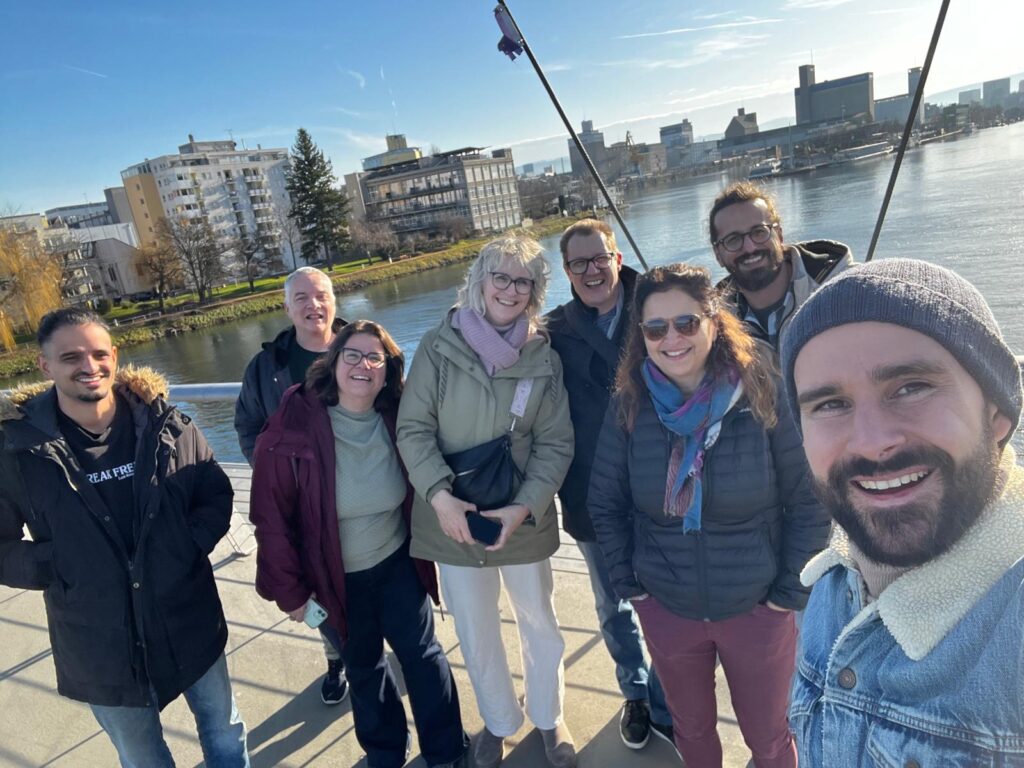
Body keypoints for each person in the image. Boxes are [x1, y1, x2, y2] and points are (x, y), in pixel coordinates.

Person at [780, 259, 1024, 767]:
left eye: (911, 387)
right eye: (830, 404)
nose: (872, 442)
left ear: (998, 411)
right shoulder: (833, 578)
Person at [588, 264, 830, 768]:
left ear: (714, 322)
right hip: (668, 607)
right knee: (692, 731)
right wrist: (632, 587)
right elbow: (605, 503)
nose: (672, 339)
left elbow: (809, 499)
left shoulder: (762, 392)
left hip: (757, 609)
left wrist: (786, 595)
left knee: (769, 737)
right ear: (641, 336)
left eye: (686, 322)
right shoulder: (628, 407)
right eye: (655, 328)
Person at [0, 308, 248, 767]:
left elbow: (213, 493)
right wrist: (58, 564)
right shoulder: (16, 449)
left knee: (225, 734)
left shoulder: (168, 424)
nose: (89, 366)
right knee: (143, 758)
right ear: (45, 365)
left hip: (188, 618)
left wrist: (187, 545)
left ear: (114, 356)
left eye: (98, 354)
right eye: (70, 357)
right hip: (100, 645)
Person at [249, 320, 468, 768]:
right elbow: (270, 518)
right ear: (333, 363)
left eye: (374, 358)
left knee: (423, 657)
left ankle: (447, 751)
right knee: (364, 667)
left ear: (388, 372)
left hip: (397, 563)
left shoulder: (398, 416)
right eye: (352, 355)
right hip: (332, 578)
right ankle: (386, 752)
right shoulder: (294, 422)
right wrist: (291, 593)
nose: (362, 366)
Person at [397, 235, 576, 768]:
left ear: (535, 291)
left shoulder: (544, 356)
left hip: (521, 516)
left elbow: (555, 443)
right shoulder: (438, 346)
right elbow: (413, 429)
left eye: (524, 281)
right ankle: (499, 721)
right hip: (452, 519)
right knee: (475, 630)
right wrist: (440, 499)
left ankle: (549, 715)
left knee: (539, 622)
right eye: (501, 276)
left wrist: (523, 508)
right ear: (480, 280)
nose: (511, 289)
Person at [545, 218, 674, 751]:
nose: (592, 270)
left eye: (600, 258)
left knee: (669, 597)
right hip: (589, 491)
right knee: (612, 603)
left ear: (617, 257)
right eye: (579, 263)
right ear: (567, 271)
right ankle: (636, 692)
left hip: (663, 484)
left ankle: (668, 697)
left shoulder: (661, 305)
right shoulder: (552, 330)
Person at [233, 265, 349, 704]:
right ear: (286, 308)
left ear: (334, 301)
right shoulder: (267, 367)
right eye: (301, 298)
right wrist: (273, 474)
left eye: (321, 296)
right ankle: (337, 658)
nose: (313, 305)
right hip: (305, 506)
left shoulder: (363, 347)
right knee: (319, 588)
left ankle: (375, 649)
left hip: (369, 497)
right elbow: (248, 426)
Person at [709, 181, 853, 348]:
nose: (750, 248)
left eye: (759, 232)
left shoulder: (845, 287)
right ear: (718, 255)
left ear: (779, 235)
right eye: (733, 240)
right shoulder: (712, 328)